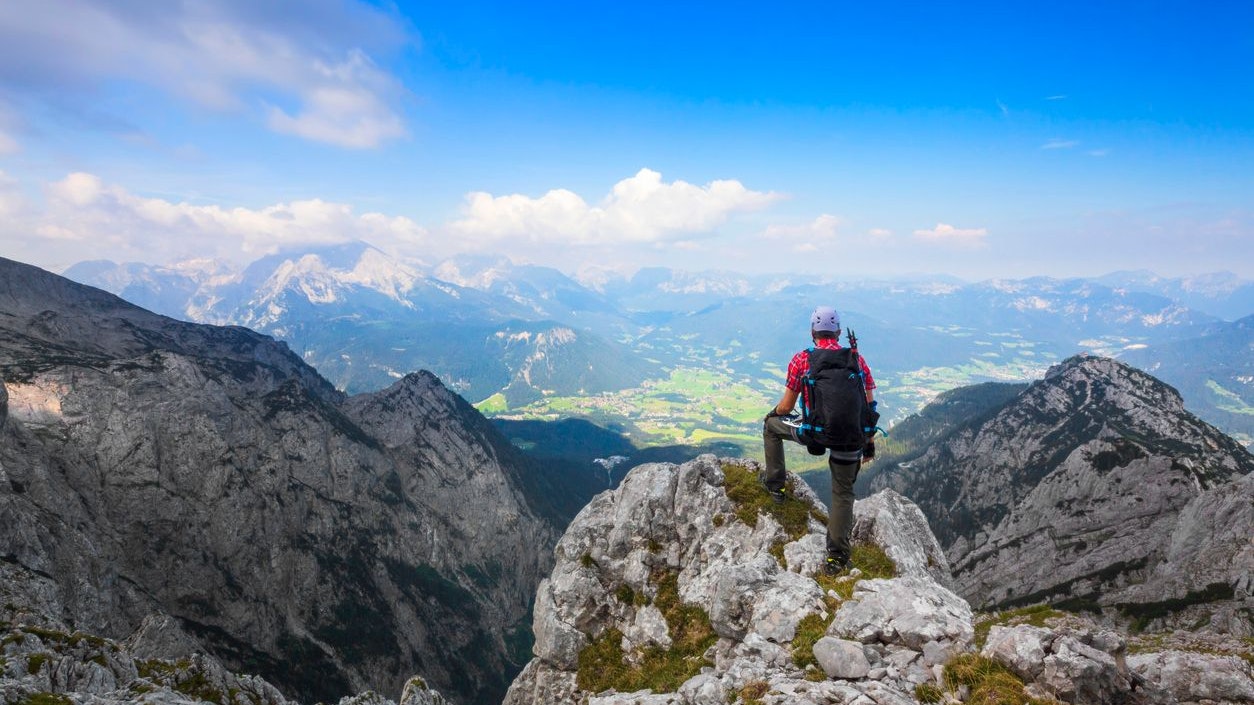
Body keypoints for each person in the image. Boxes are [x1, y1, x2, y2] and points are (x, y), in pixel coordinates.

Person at [762, 305, 876, 575]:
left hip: (814, 431)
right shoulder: (856, 360)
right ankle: (836, 558)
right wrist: (868, 441)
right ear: (838, 332)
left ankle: (775, 487)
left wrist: (773, 415)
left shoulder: (802, 359)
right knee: (843, 494)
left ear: (812, 330)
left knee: (770, 427)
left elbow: (786, 407)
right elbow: (869, 406)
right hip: (850, 437)